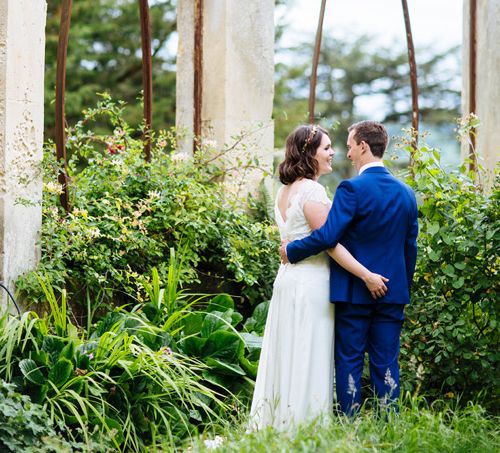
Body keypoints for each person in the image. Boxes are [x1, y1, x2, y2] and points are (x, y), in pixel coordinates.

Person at [249, 124, 389, 431]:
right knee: (307, 351)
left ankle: (279, 421)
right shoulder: (311, 191)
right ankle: (304, 426)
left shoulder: (284, 191)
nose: (333, 152)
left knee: (288, 350)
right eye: (326, 148)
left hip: (288, 280)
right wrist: (367, 275)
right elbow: (330, 242)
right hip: (309, 283)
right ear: (309, 153)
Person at [280, 121, 418, 415]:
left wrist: (292, 249)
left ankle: (349, 426)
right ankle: (389, 424)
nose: (348, 152)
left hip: (353, 293)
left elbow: (329, 236)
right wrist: (402, 285)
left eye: (351, 145)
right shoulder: (406, 193)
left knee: (350, 361)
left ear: (364, 147)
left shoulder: (351, 189)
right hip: (392, 293)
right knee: (386, 364)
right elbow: (410, 248)